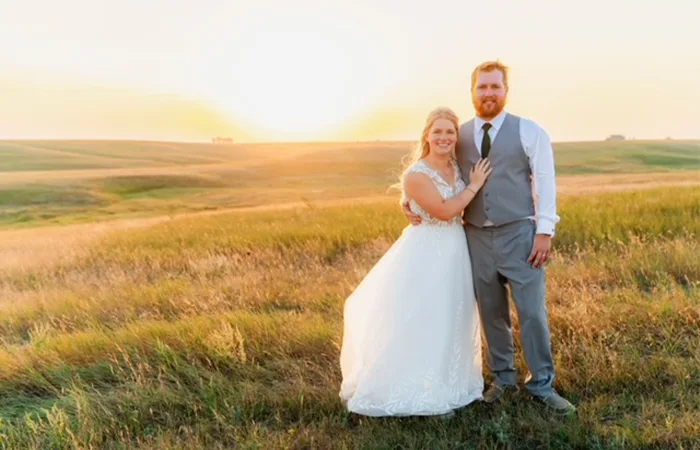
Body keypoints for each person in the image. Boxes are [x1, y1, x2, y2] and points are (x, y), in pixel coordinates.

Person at [402, 61, 575, 415]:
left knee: (532, 313)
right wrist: (407, 199)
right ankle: (503, 378)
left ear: (506, 91)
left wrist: (545, 231)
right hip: (475, 236)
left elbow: (545, 182)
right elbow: (431, 171)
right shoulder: (458, 134)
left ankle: (542, 384)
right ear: (472, 92)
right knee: (491, 313)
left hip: (520, 234)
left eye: (495, 87)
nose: (489, 93)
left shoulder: (529, 131)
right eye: (482, 87)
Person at [339, 107, 492, 417]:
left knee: (452, 315)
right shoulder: (417, 174)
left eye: (450, 131)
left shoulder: (457, 166)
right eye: (438, 131)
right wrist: (474, 185)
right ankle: (421, 392)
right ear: (427, 136)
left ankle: (451, 384)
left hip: (455, 250)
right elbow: (446, 211)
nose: (445, 137)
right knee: (426, 317)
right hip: (426, 253)